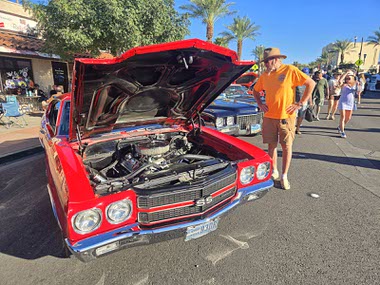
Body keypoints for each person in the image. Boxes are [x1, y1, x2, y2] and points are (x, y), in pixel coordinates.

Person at [252, 47, 315, 190]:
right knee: (271, 145)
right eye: (265, 62)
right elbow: (255, 90)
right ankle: (274, 170)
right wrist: (260, 104)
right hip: (269, 117)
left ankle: (284, 176)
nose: (265, 64)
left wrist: (300, 103)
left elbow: (311, 83)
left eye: (267, 62)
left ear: (275, 59)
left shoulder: (289, 70)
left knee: (286, 147)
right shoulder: (265, 76)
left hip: (286, 117)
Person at [337, 70, 361, 138]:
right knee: (343, 116)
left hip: (350, 102)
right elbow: (340, 81)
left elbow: (358, 91)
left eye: (349, 78)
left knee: (348, 118)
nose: (347, 80)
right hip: (343, 102)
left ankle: (340, 126)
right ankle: (342, 131)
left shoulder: (355, 84)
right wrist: (346, 73)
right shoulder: (344, 84)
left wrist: (358, 86)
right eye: (346, 78)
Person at [295, 68, 314, 135]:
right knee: (294, 116)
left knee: (301, 116)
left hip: (304, 102)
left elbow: (310, 93)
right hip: (295, 102)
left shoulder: (308, 82)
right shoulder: (295, 81)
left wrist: (310, 102)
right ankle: (292, 128)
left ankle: (297, 129)